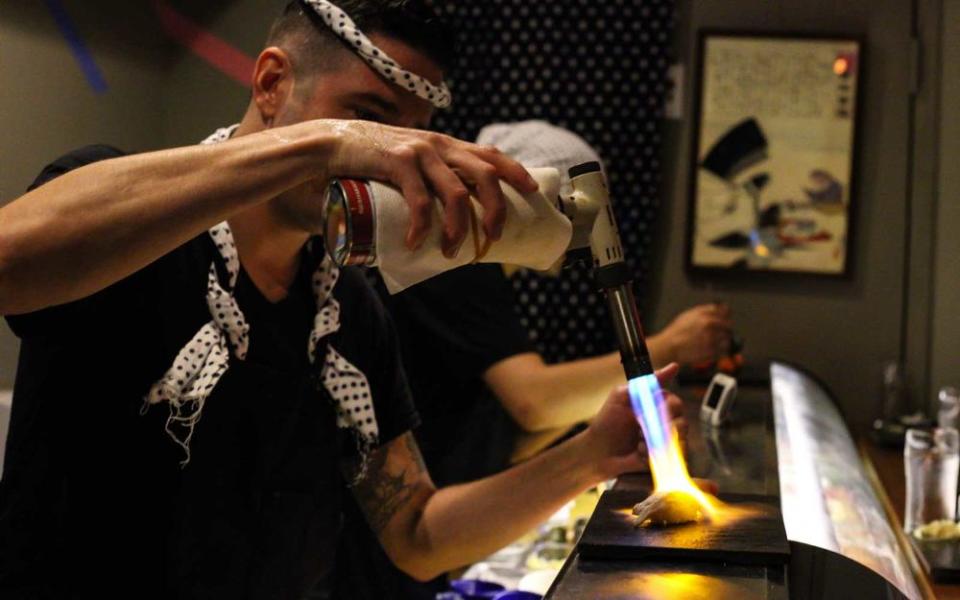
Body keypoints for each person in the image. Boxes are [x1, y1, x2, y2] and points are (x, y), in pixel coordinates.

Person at [0, 1, 689, 598]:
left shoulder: (348, 310)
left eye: (401, 138)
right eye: (368, 119)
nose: (382, 163)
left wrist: (591, 455)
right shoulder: (132, 222)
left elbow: (417, 532)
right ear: (272, 82)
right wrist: (327, 145)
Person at [342, 122, 730, 599]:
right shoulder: (454, 261)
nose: (575, 238)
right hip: (384, 550)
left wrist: (598, 441)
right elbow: (533, 402)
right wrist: (670, 344)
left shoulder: (480, 275)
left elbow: (506, 427)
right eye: (567, 212)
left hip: (440, 519)